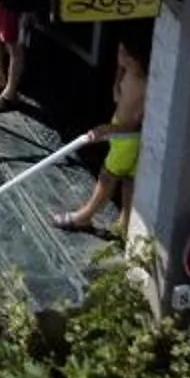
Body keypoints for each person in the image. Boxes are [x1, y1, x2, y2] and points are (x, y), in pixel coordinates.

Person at [56, 34, 147, 238]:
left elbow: (140, 128)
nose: (119, 56)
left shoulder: (145, 87)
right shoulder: (129, 73)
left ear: (135, 59)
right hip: (118, 129)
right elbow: (118, 89)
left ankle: (84, 216)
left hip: (127, 138)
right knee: (129, 180)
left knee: (108, 176)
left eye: (123, 54)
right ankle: (125, 225)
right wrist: (117, 80)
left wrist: (108, 130)